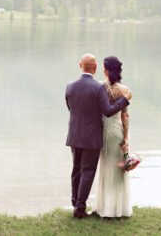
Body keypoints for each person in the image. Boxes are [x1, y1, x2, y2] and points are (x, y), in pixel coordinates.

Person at [65, 53, 132, 219]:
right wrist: (124, 100)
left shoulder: (70, 86)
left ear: (80, 66)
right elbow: (108, 112)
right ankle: (80, 209)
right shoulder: (98, 87)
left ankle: (75, 203)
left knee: (76, 171)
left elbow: (71, 109)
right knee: (87, 171)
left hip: (74, 135)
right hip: (91, 137)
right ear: (95, 68)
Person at [93, 55, 132, 217]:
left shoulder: (100, 87)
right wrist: (126, 138)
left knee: (105, 167)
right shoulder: (125, 91)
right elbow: (125, 116)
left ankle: (103, 208)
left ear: (107, 70)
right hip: (117, 131)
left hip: (103, 131)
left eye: (103, 67)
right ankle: (119, 209)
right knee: (118, 168)